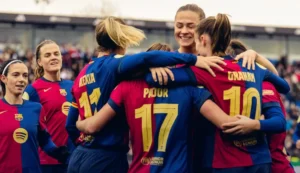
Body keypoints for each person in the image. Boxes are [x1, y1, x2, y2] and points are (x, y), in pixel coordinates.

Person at [65, 16, 225, 173]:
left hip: (79, 156)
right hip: (107, 158)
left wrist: (83, 138)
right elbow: (146, 58)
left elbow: (70, 125)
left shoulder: (82, 73)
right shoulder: (115, 64)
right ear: (122, 40)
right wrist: (193, 60)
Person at [146, 14, 289, 172]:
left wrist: (155, 66)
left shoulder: (204, 70)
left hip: (224, 162)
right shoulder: (253, 67)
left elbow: (154, 79)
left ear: (203, 40)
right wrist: (256, 56)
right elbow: (284, 86)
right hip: (259, 160)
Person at [226, 39, 295, 173]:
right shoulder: (246, 86)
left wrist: (254, 124)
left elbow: (279, 122)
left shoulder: (262, 86)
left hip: (274, 165)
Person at [0, 59, 69, 173]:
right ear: (3, 78)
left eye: (25, 75)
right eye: (16, 75)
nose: (21, 79)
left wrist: (58, 152)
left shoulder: (36, 108)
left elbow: (44, 140)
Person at [22, 40, 74, 173]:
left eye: (56, 54)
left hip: (74, 160)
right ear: (39, 62)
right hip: (46, 163)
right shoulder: (33, 90)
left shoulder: (73, 86)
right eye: (48, 55)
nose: (53, 57)